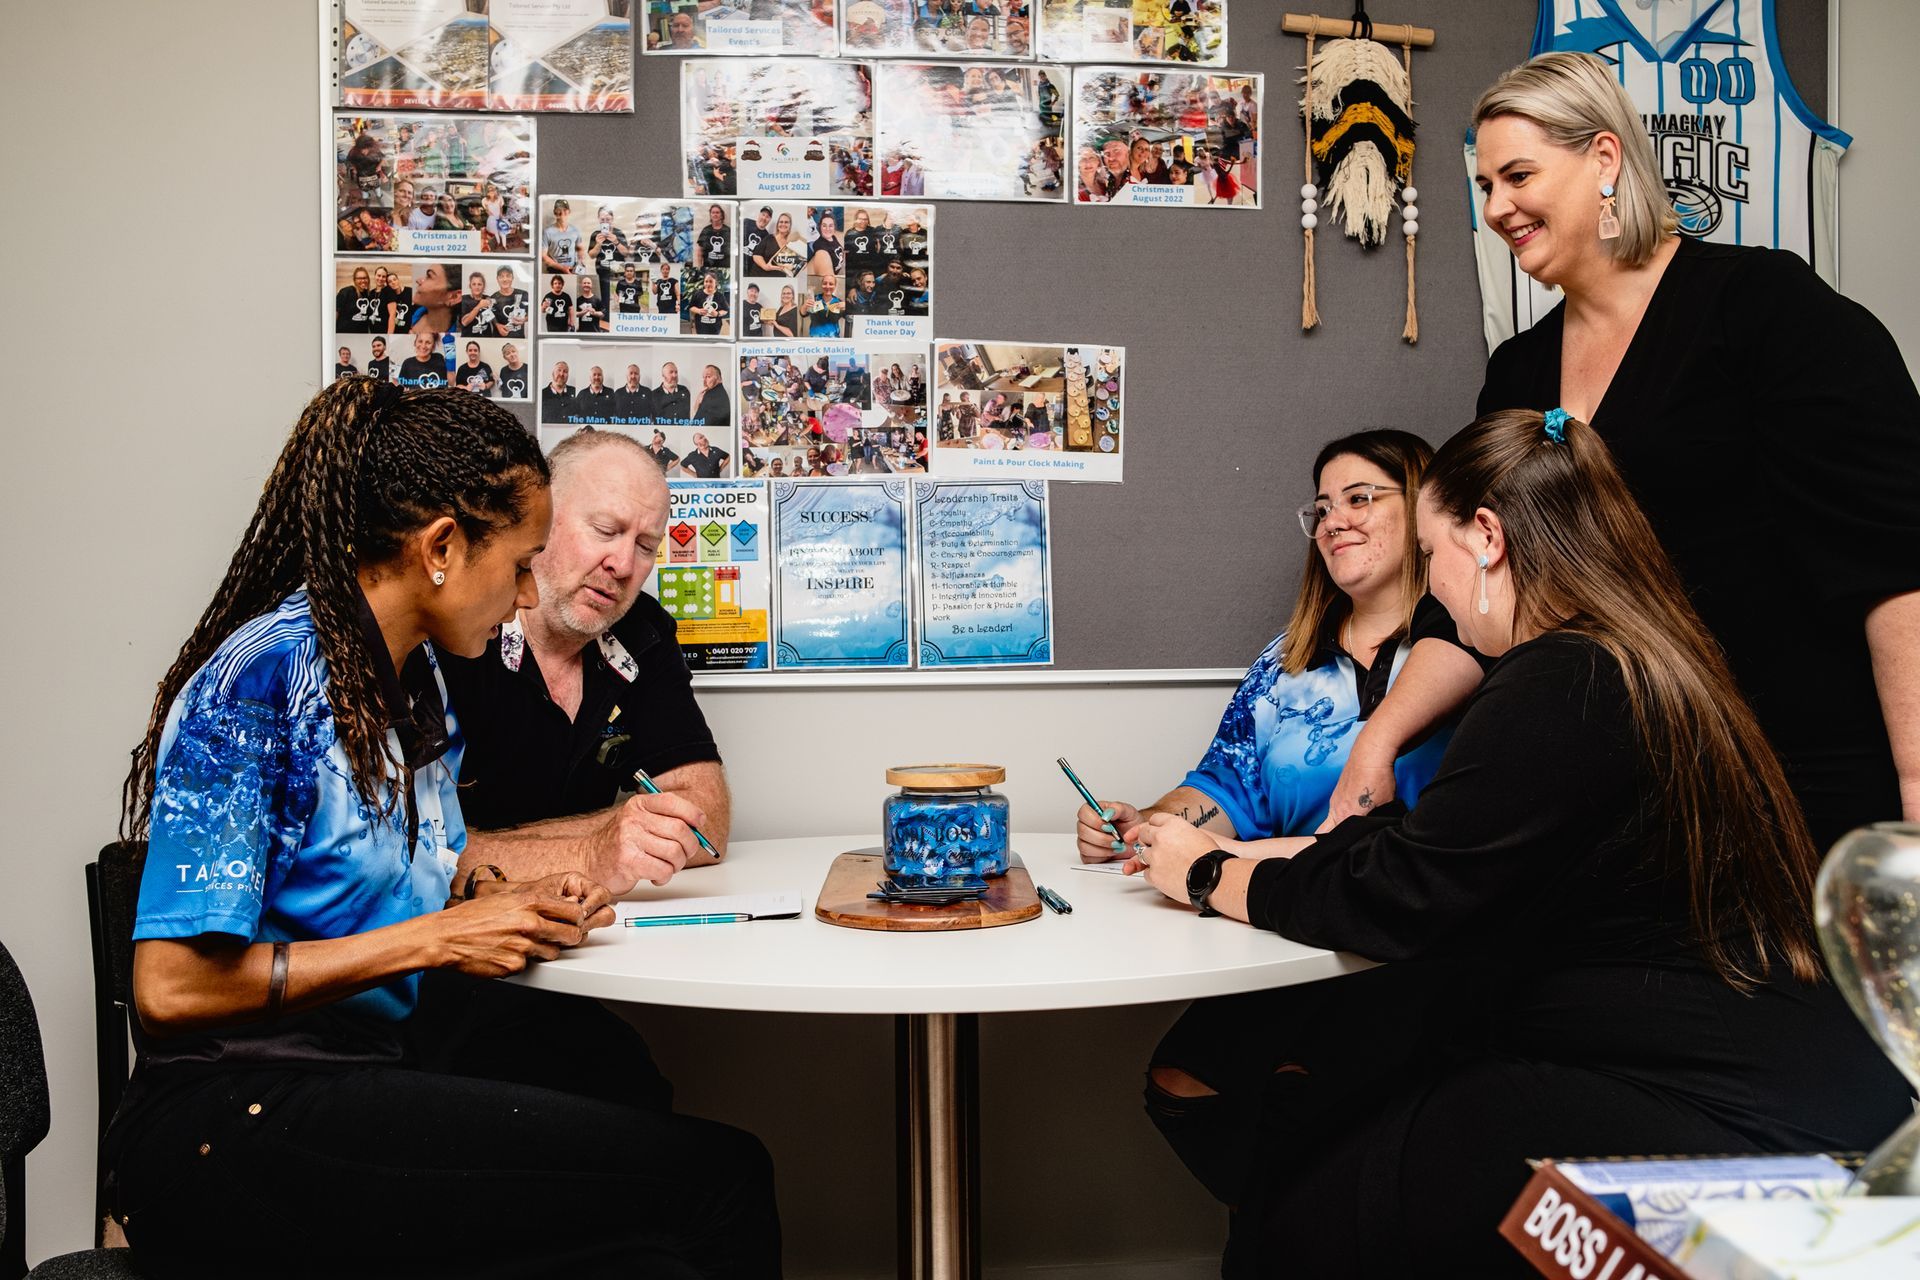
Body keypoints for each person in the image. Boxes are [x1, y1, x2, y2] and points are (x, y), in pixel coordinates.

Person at [1122, 407, 1912, 1277]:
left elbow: (1400, 896)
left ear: (1487, 539)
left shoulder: (1562, 679)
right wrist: (1254, 858)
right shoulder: (1635, 654)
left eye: (1435, 558)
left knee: (1307, 1221)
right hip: (1780, 1077)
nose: (1437, 596)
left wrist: (1203, 875)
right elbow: (1431, 843)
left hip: (1734, 1114)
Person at [106, 380, 779, 1277]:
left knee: (629, 1147)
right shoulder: (261, 683)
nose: (530, 588)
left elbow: (420, 865)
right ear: (441, 550)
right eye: (520, 563)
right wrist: (440, 937)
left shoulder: (411, 684)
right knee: (722, 1181)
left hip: (369, 1058)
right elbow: (170, 990)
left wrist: (517, 896)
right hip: (235, 1113)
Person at [1319, 50, 1920, 852]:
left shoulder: (1764, 310)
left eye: (1518, 176)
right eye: (1486, 186)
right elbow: (1470, 589)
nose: (1498, 207)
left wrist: (1916, 793)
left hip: (1794, 778)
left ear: (1604, 158)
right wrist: (1379, 738)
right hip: (1620, 791)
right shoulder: (1519, 372)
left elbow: (1892, 565)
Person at [1075, 430, 1471, 864]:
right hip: (1283, 906)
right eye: (1322, 509)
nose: (1332, 523)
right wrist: (1147, 824)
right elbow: (1230, 786)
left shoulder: (1473, 639)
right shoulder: (1285, 661)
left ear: (1422, 504)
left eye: (1359, 499)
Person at [541, 198, 581, 274]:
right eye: (559, 209)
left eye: (565, 209)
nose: (562, 212)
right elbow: (543, 256)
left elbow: (580, 250)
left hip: (573, 271)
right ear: (554, 212)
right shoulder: (547, 232)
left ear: (569, 211)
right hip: (554, 272)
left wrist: (580, 263)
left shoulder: (575, 230)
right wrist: (562, 268)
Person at [335, 266, 380, 333]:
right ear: (355, 280)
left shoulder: (369, 295)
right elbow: (336, 312)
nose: (363, 280)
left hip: (361, 335)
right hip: (344, 333)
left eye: (365, 278)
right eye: (359, 278)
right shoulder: (346, 292)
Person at [489, 266, 528, 339]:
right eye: (501, 276)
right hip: (498, 339)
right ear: (497, 279)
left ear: (512, 278)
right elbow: (490, 315)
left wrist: (524, 319)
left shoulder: (524, 294)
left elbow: (533, 314)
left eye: (508, 276)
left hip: (518, 339)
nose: (505, 279)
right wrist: (497, 325)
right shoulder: (492, 298)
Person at [457, 271, 497, 338]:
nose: (477, 287)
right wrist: (479, 306)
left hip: (486, 338)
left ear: (483, 286)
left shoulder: (487, 298)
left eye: (479, 284)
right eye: (474, 284)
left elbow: (493, 317)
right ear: (470, 286)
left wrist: (492, 302)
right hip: (468, 338)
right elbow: (465, 322)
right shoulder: (464, 299)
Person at [698, 204, 730, 269]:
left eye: (717, 212)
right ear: (710, 215)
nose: (715, 214)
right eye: (713, 212)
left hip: (725, 268)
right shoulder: (706, 230)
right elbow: (699, 251)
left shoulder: (728, 230)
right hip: (708, 267)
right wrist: (699, 266)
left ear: (721, 215)